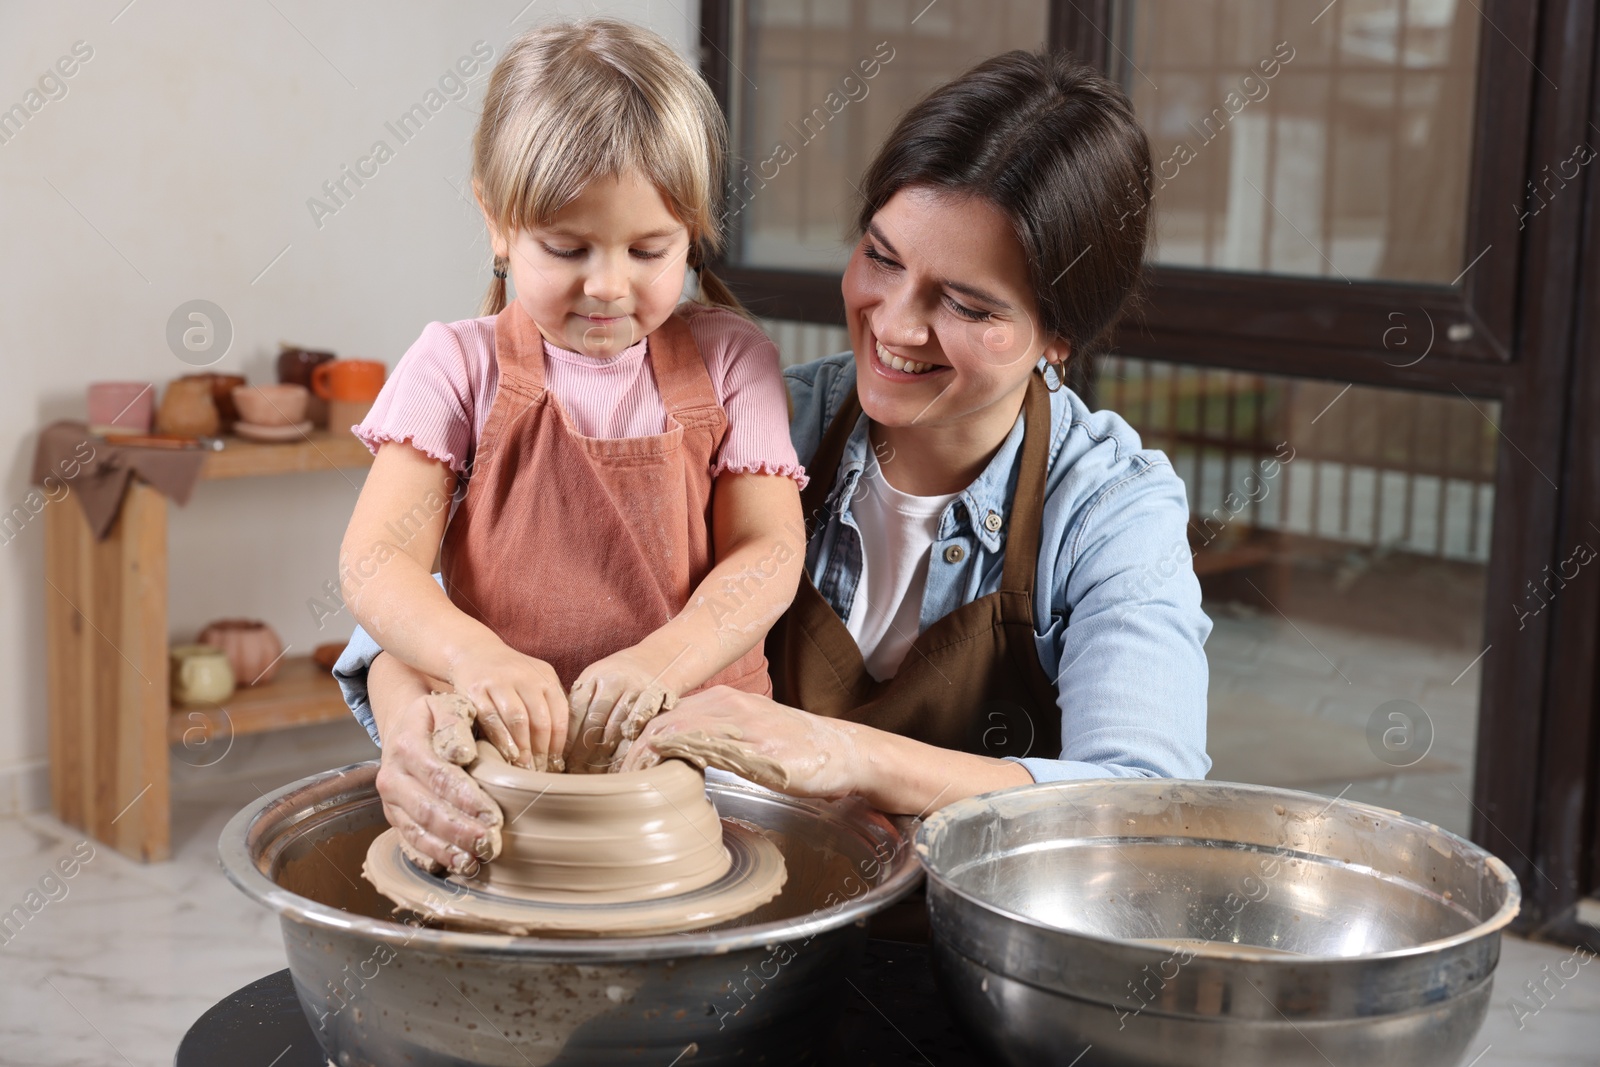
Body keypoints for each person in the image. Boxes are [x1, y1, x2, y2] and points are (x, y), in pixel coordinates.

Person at [339, 47, 1211, 872]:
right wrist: (414, 717)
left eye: (966, 304)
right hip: (724, 912)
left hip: (964, 955)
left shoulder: (1108, 510)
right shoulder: (740, 417)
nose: (896, 326)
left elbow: (1146, 804)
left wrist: (847, 755)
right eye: (881, 257)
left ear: (1060, 336)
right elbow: (421, 605)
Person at [335, 19, 805, 874]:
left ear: (692, 233)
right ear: (497, 221)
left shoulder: (735, 361)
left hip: (696, 778)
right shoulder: (455, 366)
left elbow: (769, 548)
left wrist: (665, 659)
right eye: (568, 246)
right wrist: (473, 655)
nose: (607, 283)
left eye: (649, 249)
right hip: (505, 780)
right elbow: (375, 563)